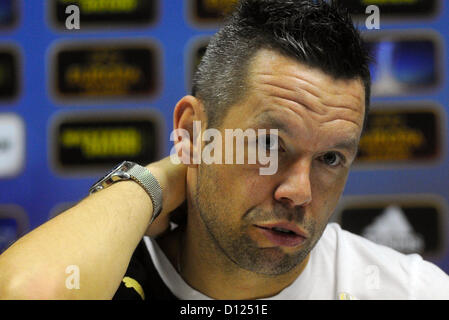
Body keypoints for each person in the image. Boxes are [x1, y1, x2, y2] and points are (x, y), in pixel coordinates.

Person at [1, 0, 448, 300]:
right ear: (193, 132)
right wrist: (159, 179)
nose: (300, 193)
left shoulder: (408, 291)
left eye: (330, 159)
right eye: (269, 145)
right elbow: (28, 291)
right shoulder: (107, 276)